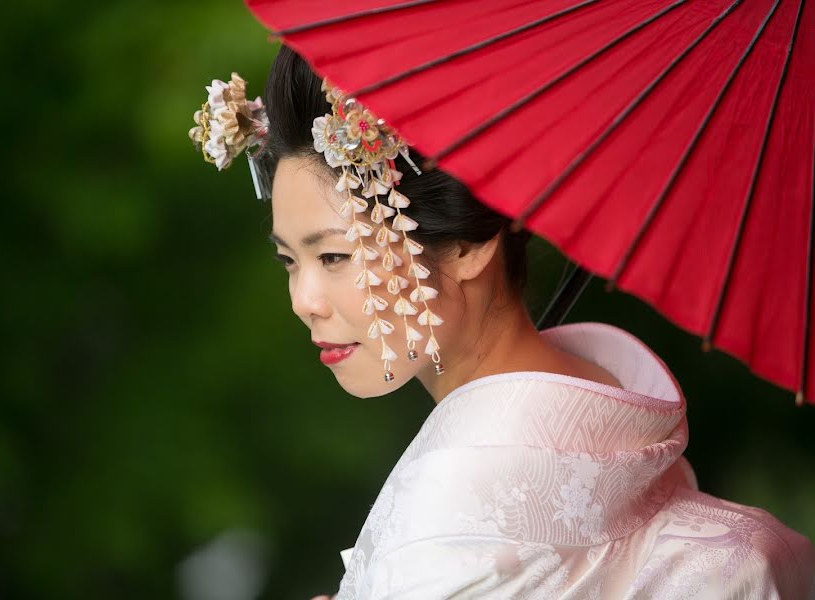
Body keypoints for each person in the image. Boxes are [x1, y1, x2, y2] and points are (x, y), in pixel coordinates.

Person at [190, 46, 815, 599]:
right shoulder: (621, 420)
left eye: (333, 256)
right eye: (288, 260)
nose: (304, 299)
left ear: (467, 246)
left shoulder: (443, 522)